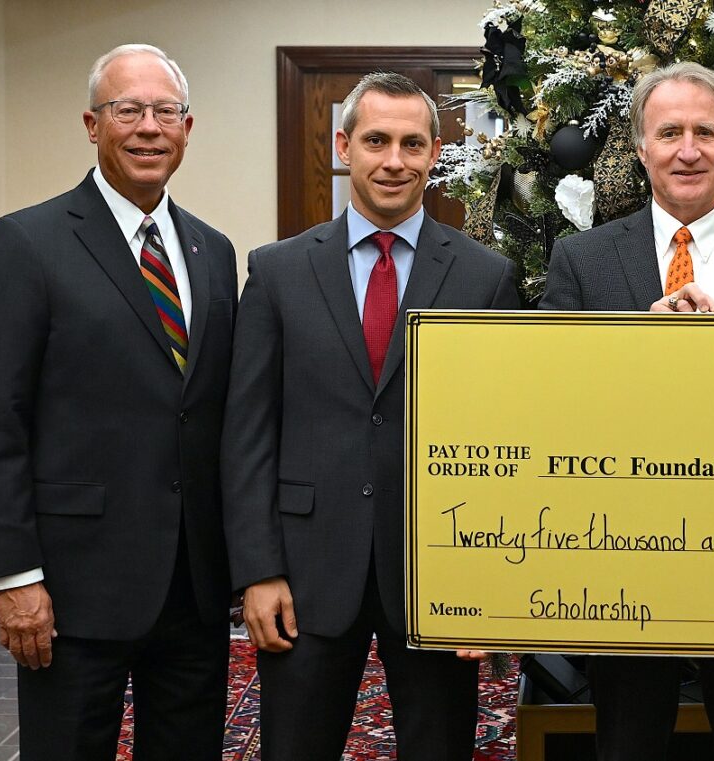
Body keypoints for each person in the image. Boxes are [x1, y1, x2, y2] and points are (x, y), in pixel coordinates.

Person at [221, 71, 520, 761]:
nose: (394, 160)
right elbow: (247, 434)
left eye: (412, 143)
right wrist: (258, 571)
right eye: (377, 140)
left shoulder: (485, 277)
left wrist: (489, 586)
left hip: (437, 568)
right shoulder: (278, 271)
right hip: (305, 567)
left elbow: (506, 435)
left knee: (439, 747)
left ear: (436, 153)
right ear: (342, 145)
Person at [0, 44, 236, 760]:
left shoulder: (214, 250)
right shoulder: (28, 242)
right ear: (92, 123)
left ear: (188, 126)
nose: (149, 127)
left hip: (194, 586)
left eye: (165, 111)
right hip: (74, 587)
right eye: (128, 110)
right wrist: (16, 578)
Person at [540, 61, 714, 761]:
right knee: (627, 744)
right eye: (669, 132)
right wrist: (641, 348)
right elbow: (552, 403)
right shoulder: (580, 261)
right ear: (641, 149)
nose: (688, 149)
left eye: (704, 130)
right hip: (625, 557)